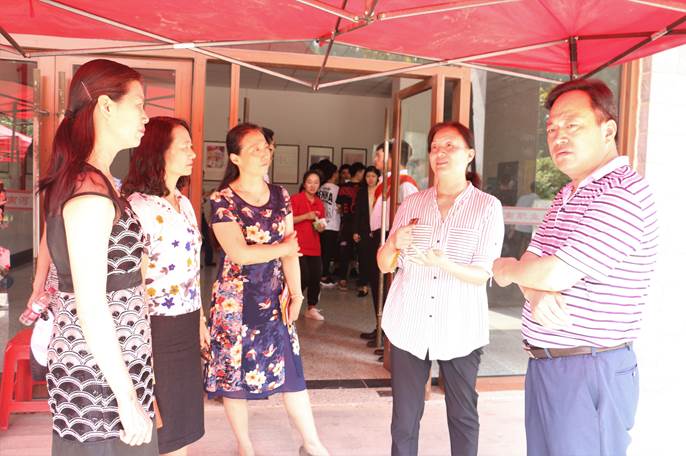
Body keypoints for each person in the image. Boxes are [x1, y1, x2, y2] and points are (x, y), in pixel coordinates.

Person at [492, 79, 658, 456]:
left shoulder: (623, 193)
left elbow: (554, 272)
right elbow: (535, 261)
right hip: (547, 364)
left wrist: (506, 268)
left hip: (590, 366)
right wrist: (535, 293)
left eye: (572, 125)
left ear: (608, 130)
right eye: (552, 128)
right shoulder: (568, 194)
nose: (558, 136)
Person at [38, 58, 156, 454]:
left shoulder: (93, 180)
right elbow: (91, 305)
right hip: (99, 378)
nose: (145, 116)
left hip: (113, 363)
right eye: (138, 104)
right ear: (106, 106)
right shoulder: (89, 191)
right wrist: (126, 397)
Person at [377, 121, 503, 456]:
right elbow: (385, 264)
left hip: (459, 326)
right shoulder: (412, 203)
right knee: (404, 421)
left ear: (470, 155)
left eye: (450, 146)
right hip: (409, 322)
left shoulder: (487, 206)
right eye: (435, 147)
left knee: (462, 416)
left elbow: (483, 273)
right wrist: (394, 243)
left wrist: (445, 264)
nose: (440, 153)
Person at [205, 123, 328, 456]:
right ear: (235, 158)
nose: (264, 153)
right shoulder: (222, 200)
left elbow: (291, 252)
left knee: (291, 371)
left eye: (266, 147)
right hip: (235, 302)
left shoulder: (280, 195)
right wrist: (283, 248)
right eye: (254, 148)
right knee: (234, 376)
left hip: (274, 298)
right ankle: (245, 446)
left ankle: (313, 443)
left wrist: (297, 294)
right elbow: (240, 253)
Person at [122, 116, 208, 455]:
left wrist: (200, 321)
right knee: (163, 425)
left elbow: (192, 269)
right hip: (155, 328)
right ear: (159, 152)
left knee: (182, 425)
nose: (193, 153)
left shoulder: (183, 203)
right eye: (184, 146)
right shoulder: (137, 207)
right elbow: (134, 282)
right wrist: (138, 346)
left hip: (186, 322)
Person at [361, 140, 418, 358]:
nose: (375, 159)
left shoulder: (405, 184)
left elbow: (411, 218)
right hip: (379, 236)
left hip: (391, 238)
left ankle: (389, 339)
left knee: (389, 288)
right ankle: (381, 328)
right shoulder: (387, 181)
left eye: (379, 155)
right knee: (378, 285)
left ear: (392, 157)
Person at [292, 170, 326, 321]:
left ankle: (311, 308)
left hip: (314, 246)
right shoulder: (295, 199)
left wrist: (321, 227)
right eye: (309, 182)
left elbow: (321, 224)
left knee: (315, 277)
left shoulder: (319, 202)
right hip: (298, 245)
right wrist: (306, 216)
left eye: (316, 183)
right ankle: (292, 303)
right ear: (304, 183)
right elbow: (289, 220)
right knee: (303, 277)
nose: (312, 185)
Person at [336, 161, 365, 290]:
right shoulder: (364, 187)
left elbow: (338, 207)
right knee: (361, 251)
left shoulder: (342, 187)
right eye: (363, 172)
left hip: (346, 223)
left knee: (345, 252)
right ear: (358, 173)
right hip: (360, 224)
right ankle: (362, 281)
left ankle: (343, 279)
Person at [353, 166, 380, 298]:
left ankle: (376, 284)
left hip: (378, 228)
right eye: (368, 176)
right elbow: (357, 213)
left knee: (375, 258)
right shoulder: (361, 192)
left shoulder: (382, 191)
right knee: (363, 257)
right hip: (364, 228)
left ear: (378, 178)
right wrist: (355, 231)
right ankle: (363, 285)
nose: (370, 179)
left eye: (373, 176)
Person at [315, 159, 340, 287]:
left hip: (321, 223)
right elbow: (340, 207)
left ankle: (320, 274)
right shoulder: (337, 189)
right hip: (333, 224)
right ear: (334, 174)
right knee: (328, 252)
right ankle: (324, 276)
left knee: (321, 251)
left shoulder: (320, 188)